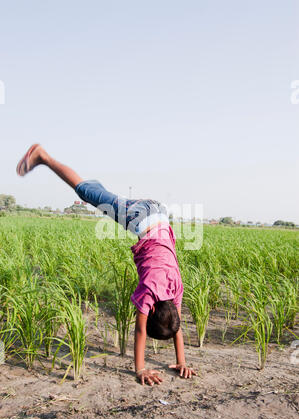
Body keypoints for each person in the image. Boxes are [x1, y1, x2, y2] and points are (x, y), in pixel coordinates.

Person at [16, 144, 196, 385]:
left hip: (159, 214)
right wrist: (140, 369)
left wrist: (182, 361)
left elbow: (176, 325)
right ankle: (44, 157)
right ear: (151, 309)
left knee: (101, 197)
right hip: (142, 218)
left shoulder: (176, 287)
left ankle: (96, 187)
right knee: (84, 192)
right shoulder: (149, 292)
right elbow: (140, 330)